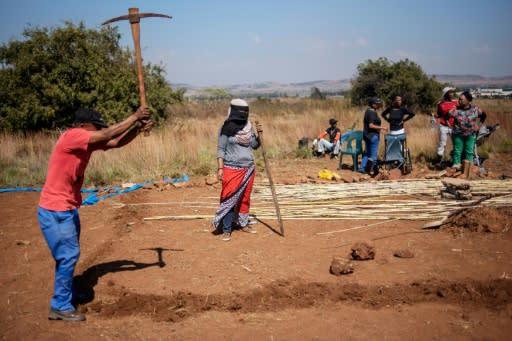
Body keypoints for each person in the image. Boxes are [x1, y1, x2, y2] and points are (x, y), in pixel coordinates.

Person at [38, 107, 151, 321]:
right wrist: (135, 116)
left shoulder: (84, 144)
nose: (99, 129)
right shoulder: (72, 136)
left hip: (67, 208)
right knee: (68, 256)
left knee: (67, 256)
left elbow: (115, 142)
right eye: (96, 127)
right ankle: (60, 305)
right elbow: (108, 134)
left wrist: (137, 128)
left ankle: (68, 293)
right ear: (83, 127)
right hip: (55, 209)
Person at [213, 99, 262, 242]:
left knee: (245, 198)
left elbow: (254, 145)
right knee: (229, 198)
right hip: (231, 168)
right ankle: (226, 229)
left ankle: (242, 223)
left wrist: (259, 136)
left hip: (249, 168)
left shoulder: (248, 127)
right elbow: (221, 149)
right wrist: (220, 168)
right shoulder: (225, 129)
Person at [450, 91, 486, 170]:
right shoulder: (456, 109)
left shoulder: (475, 109)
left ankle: (469, 168)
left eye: (461, 99)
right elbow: (446, 116)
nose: (459, 101)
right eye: (459, 99)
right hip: (457, 134)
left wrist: (478, 125)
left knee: (469, 152)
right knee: (457, 151)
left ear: (468, 100)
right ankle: (456, 167)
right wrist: (451, 126)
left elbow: (483, 115)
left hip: (471, 134)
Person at [358, 97, 387, 175]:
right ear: (373, 104)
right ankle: (373, 172)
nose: (378, 105)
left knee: (367, 153)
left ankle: (362, 168)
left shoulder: (368, 111)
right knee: (373, 155)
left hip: (367, 136)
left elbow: (370, 126)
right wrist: (382, 127)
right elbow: (371, 125)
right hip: (373, 136)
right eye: (377, 103)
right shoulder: (372, 113)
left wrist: (380, 131)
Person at [433, 87, 458, 167]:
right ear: (446, 94)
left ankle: (456, 161)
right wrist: (434, 116)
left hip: (454, 126)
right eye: (450, 92)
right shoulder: (440, 104)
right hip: (443, 126)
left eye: (452, 92)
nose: (452, 94)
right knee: (442, 144)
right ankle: (438, 162)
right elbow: (439, 115)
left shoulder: (456, 103)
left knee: (456, 144)